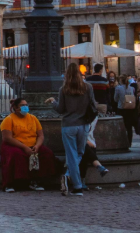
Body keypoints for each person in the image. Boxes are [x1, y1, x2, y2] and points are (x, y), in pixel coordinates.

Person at [0, 97, 59, 193]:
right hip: (15, 145)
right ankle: (10, 183)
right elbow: (7, 138)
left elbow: (40, 135)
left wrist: (37, 146)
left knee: (47, 154)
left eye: (26, 105)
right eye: (22, 105)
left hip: (33, 144)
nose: (25, 107)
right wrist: (24, 147)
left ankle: (36, 180)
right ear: (16, 108)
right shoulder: (9, 119)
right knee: (16, 155)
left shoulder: (33, 118)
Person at [55, 62, 98, 195]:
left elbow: (60, 109)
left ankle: (76, 185)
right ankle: (72, 179)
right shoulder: (88, 87)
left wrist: (53, 103)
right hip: (83, 124)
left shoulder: (64, 89)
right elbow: (93, 105)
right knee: (79, 153)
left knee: (72, 155)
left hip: (68, 125)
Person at [114, 76, 138, 145]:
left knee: (121, 126)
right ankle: (129, 142)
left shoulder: (118, 88)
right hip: (130, 109)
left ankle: (122, 142)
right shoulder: (132, 88)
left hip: (121, 108)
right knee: (129, 127)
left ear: (120, 80)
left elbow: (115, 99)